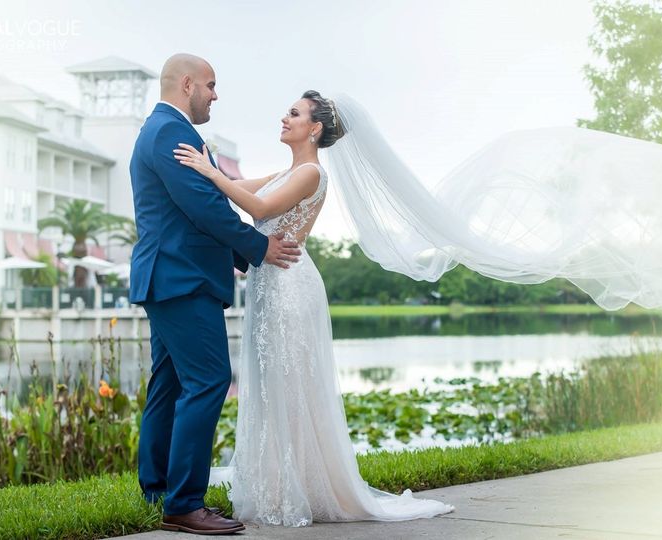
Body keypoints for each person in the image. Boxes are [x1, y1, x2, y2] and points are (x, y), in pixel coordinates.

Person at [174, 90, 455, 526]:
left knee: (291, 384)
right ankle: (278, 484)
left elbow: (259, 207)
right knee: (271, 385)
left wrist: (210, 170)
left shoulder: (310, 174)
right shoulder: (286, 173)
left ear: (315, 127)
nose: (284, 118)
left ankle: (301, 487)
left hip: (290, 286)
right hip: (267, 284)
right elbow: (236, 191)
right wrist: (205, 168)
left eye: (294, 113)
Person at [129, 53, 302, 536]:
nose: (215, 95)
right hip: (181, 278)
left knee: (169, 385)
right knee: (208, 380)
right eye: (210, 85)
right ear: (187, 85)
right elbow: (204, 206)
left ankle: (158, 490)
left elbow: (199, 202)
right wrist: (258, 247)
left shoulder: (162, 129)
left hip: (171, 276)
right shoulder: (170, 132)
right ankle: (184, 503)